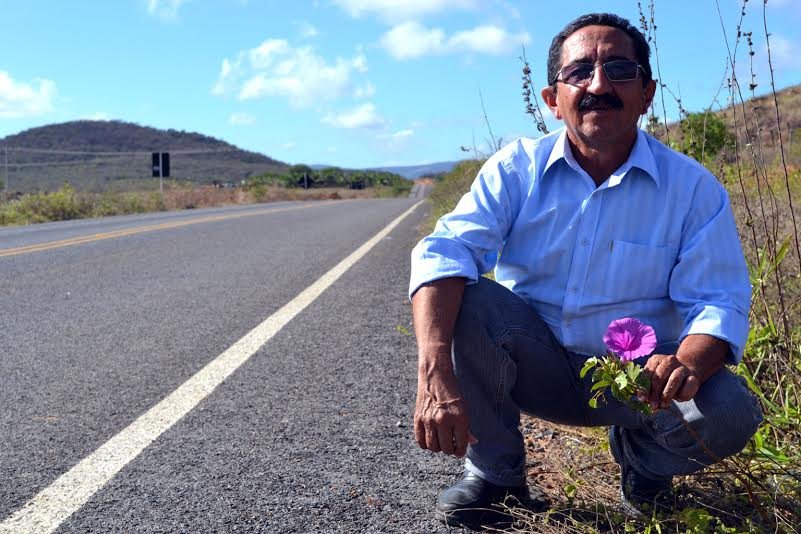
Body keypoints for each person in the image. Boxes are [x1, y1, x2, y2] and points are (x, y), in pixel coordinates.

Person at [408, 12, 763, 531]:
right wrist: (434, 368)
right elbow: (444, 251)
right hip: (536, 365)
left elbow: (718, 301)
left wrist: (684, 362)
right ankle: (496, 476)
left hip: (637, 382)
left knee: (730, 409)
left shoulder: (692, 188)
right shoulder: (515, 170)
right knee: (470, 296)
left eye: (620, 70)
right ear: (553, 100)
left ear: (647, 93)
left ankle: (643, 467)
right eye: (580, 73)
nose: (599, 85)